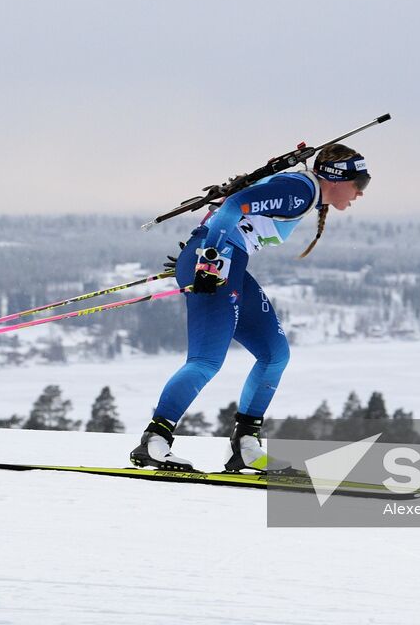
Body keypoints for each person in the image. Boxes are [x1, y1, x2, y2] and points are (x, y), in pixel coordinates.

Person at [129, 143, 371, 473]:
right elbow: (232, 207)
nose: (360, 193)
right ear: (337, 177)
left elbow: (231, 209)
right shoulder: (299, 191)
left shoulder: (302, 191)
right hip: (218, 263)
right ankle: (154, 442)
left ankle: (246, 447)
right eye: (361, 183)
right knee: (205, 361)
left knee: (275, 355)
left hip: (230, 264)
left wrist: (204, 252)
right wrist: (208, 257)